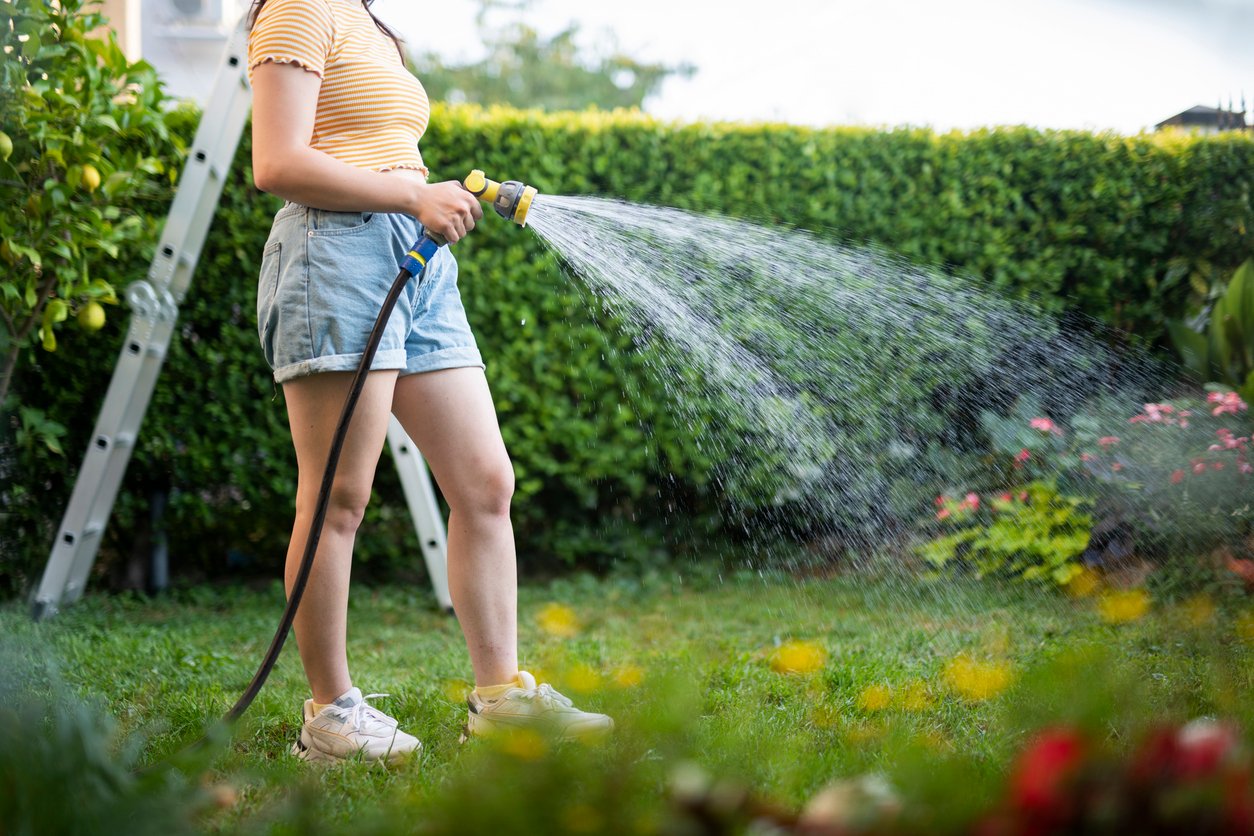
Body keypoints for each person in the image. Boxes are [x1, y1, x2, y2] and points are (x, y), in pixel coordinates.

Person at [246, 0, 612, 764]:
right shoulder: (298, 8)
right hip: (334, 254)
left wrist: (419, 198)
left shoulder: (369, 24)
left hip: (415, 261)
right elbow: (276, 163)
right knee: (339, 498)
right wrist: (414, 194)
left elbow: (376, 146)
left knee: (485, 482)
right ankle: (330, 714)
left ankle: (501, 699)